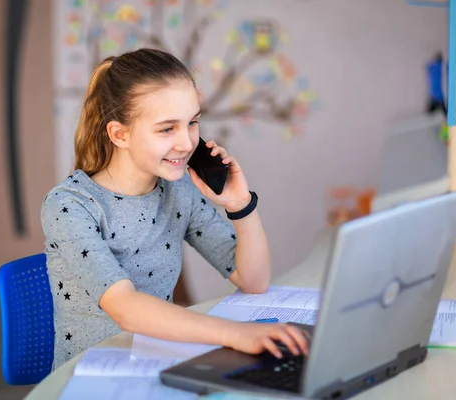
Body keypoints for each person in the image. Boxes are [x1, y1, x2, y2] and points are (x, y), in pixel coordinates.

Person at [41, 48, 309, 369]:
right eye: (167, 128)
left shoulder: (178, 189)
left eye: (192, 123)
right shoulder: (70, 206)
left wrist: (240, 205)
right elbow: (125, 306)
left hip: (155, 363)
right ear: (119, 134)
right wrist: (236, 334)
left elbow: (253, 280)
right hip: (91, 376)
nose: (187, 143)